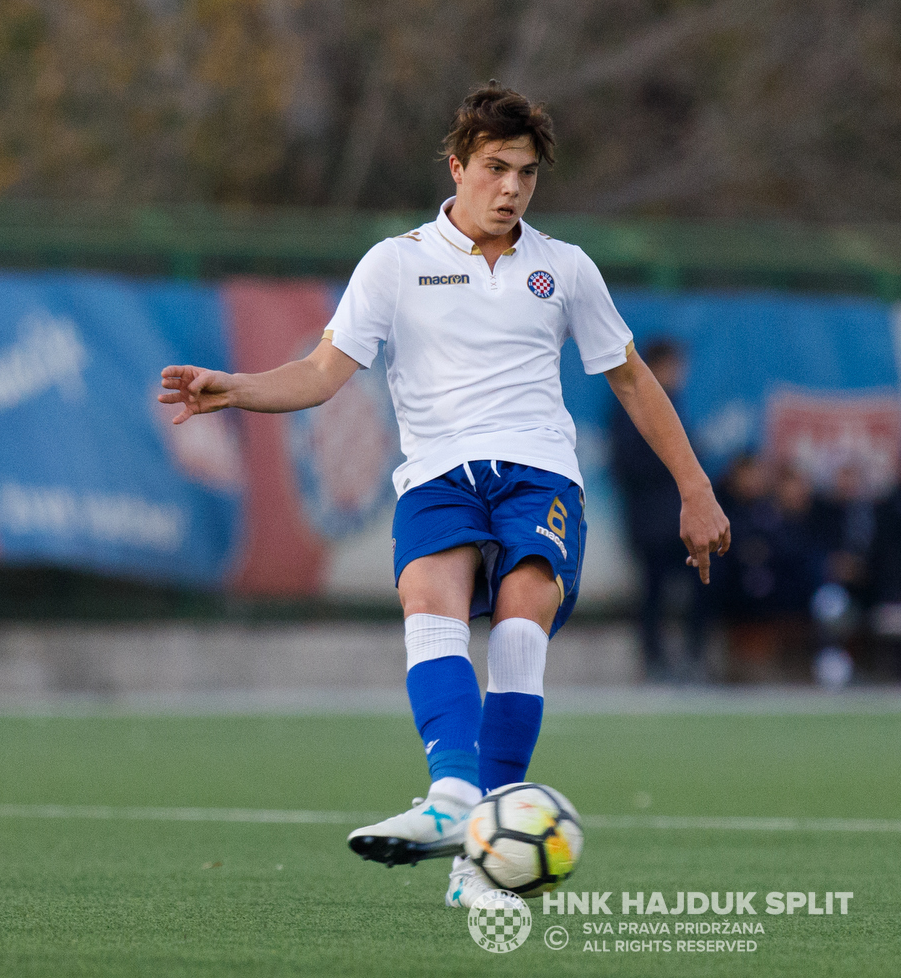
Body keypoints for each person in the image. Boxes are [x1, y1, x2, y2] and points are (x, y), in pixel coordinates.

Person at [158, 82, 729, 908]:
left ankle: (478, 851)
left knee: (525, 604)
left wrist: (696, 488)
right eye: (496, 168)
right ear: (458, 166)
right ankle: (457, 798)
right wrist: (238, 387)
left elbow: (634, 382)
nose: (511, 188)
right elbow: (322, 373)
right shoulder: (395, 263)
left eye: (526, 174)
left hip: (537, 469)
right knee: (429, 596)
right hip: (436, 473)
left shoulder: (565, 269)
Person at [608, 338, 702, 681]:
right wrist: (673, 459)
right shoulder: (628, 404)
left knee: (701, 585)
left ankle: (693, 657)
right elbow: (625, 464)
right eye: (672, 366)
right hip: (650, 521)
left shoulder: (675, 402)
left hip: (684, 519)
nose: (679, 373)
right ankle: (654, 662)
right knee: (653, 593)